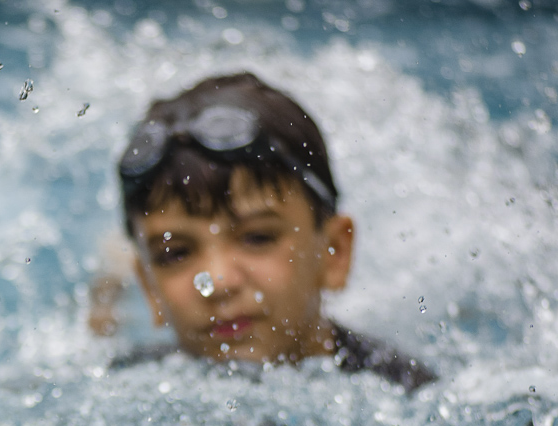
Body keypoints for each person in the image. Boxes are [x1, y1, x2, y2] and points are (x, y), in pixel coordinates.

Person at [95, 72, 435, 391]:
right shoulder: (123, 386)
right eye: (175, 253)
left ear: (334, 252)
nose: (218, 282)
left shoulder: (405, 392)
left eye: (257, 237)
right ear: (151, 289)